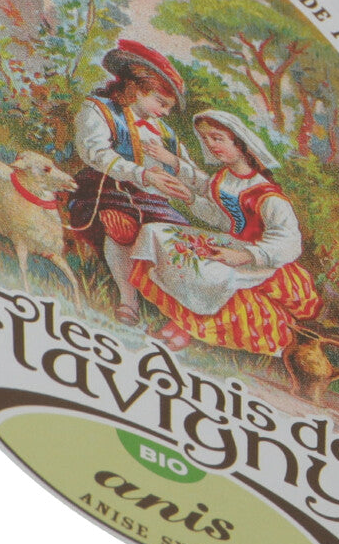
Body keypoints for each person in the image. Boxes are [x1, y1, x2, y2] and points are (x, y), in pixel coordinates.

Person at [129, 109, 322, 353]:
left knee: (210, 274)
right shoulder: (224, 178)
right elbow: (219, 217)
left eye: (217, 138)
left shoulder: (268, 196)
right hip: (232, 242)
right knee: (155, 233)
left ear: (240, 143)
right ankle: (181, 323)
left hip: (260, 258)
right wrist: (189, 197)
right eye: (205, 138)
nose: (210, 145)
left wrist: (244, 256)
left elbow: (290, 242)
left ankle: (185, 329)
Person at [70, 39, 193, 325]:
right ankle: (128, 300)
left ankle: (176, 312)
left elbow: (186, 168)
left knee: (180, 238)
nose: (165, 112)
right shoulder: (99, 109)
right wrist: (142, 174)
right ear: (136, 88)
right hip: (105, 190)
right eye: (161, 102)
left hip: (153, 201)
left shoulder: (165, 132)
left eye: (169, 107)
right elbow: (95, 153)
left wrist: (182, 184)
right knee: (122, 226)